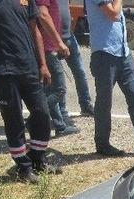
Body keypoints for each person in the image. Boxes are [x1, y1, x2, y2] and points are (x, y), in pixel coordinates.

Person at [0, 0, 62, 184]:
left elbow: (35, 30)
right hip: (5, 71)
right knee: (14, 121)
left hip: (29, 67)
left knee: (42, 114)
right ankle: (24, 168)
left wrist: (42, 64)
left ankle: (38, 158)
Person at [85, 0, 134, 157]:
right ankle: (102, 144)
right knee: (104, 101)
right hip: (104, 53)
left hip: (123, 52)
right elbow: (113, 14)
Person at [36, 0, 79, 137]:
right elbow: (43, 14)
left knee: (50, 89)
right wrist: (59, 43)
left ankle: (59, 125)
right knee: (59, 89)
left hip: (51, 45)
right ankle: (35, 116)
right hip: (48, 47)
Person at [59, 0, 95, 116]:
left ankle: (86, 105)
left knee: (80, 71)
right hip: (54, 38)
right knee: (58, 78)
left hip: (69, 35)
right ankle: (61, 112)